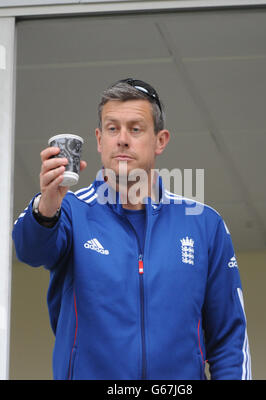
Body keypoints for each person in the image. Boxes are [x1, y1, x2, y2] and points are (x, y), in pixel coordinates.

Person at [12, 78, 251, 380]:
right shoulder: (69, 211)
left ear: (160, 140)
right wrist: (46, 205)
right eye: (113, 129)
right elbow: (30, 250)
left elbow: (229, 340)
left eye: (135, 129)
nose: (122, 139)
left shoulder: (204, 223)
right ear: (99, 140)